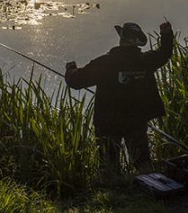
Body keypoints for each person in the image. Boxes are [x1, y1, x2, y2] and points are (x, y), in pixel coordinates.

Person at [64, 21, 174, 172]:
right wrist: (166, 34)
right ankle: (147, 185)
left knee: (109, 166)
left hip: (108, 122)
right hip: (136, 120)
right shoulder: (146, 61)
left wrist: (71, 68)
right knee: (142, 163)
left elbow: (76, 81)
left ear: (121, 39)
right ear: (137, 43)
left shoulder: (105, 63)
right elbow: (165, 53)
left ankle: (114, 187)